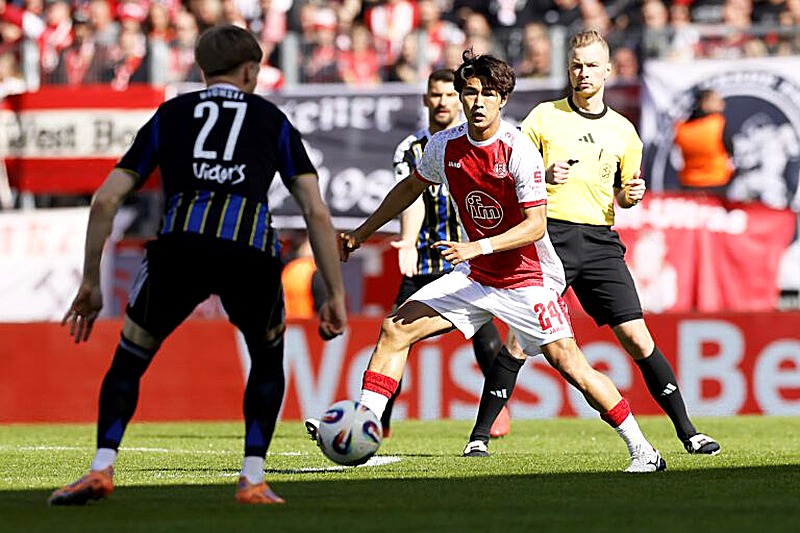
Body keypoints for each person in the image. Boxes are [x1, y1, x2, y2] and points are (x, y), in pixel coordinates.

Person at [312, 50, 666, 473]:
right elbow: (409, 189)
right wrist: (362, 233)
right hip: (477, 276)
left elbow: (535, 226)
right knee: (394, 329)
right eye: (470, 92)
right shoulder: (444, 144)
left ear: (503, 100)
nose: (477, 101)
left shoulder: (518, 150)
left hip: (527, 278)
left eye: (488, 94)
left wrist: (476, 247)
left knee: (570, 363)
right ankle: (361, 426)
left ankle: (644, 450)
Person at [48, 25, 347, 506]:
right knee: (267, 358)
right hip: (249, 251)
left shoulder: (171, 114)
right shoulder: (272, 120)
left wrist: (89, 281)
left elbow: (106, 200)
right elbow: (314, 209)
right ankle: (252, 478)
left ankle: (101, 467)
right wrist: (334, 293)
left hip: (179, 248)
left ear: (203, 71)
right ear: (250, 70)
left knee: (131, 356)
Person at [468, 29, 720, 456]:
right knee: (519, 340)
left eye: (589, 66)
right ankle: (478, 437)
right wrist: (543, 178)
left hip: (601, 242)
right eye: (575, 66)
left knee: (639, 339)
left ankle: (688, 432)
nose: (582, 73)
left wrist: (630, 195)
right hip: (550, 239)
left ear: (607, 70)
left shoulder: (624, 131)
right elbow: (508, 175)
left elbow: (623, 195)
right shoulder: (543, 118)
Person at [383, 68, 510, 438]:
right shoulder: (411, 149)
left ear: (460, 99)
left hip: (469, 260)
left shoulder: (480, 142)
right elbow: (411, 198)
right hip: (422, 259)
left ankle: (496, 408)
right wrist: (407, 240)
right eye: (435, 95)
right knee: (396, 334)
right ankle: (379, 419)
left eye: (449, 95)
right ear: (425, 99)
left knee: (485, 335)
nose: (442, 102)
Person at [673, 88, 734, 195]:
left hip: (689, 183)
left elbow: (677, 157)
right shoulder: (718, 123)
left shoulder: (680, 127)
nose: (722, 104)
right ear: (704, 103)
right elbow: (730, 150)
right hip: (717, 183)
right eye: (716, 100)